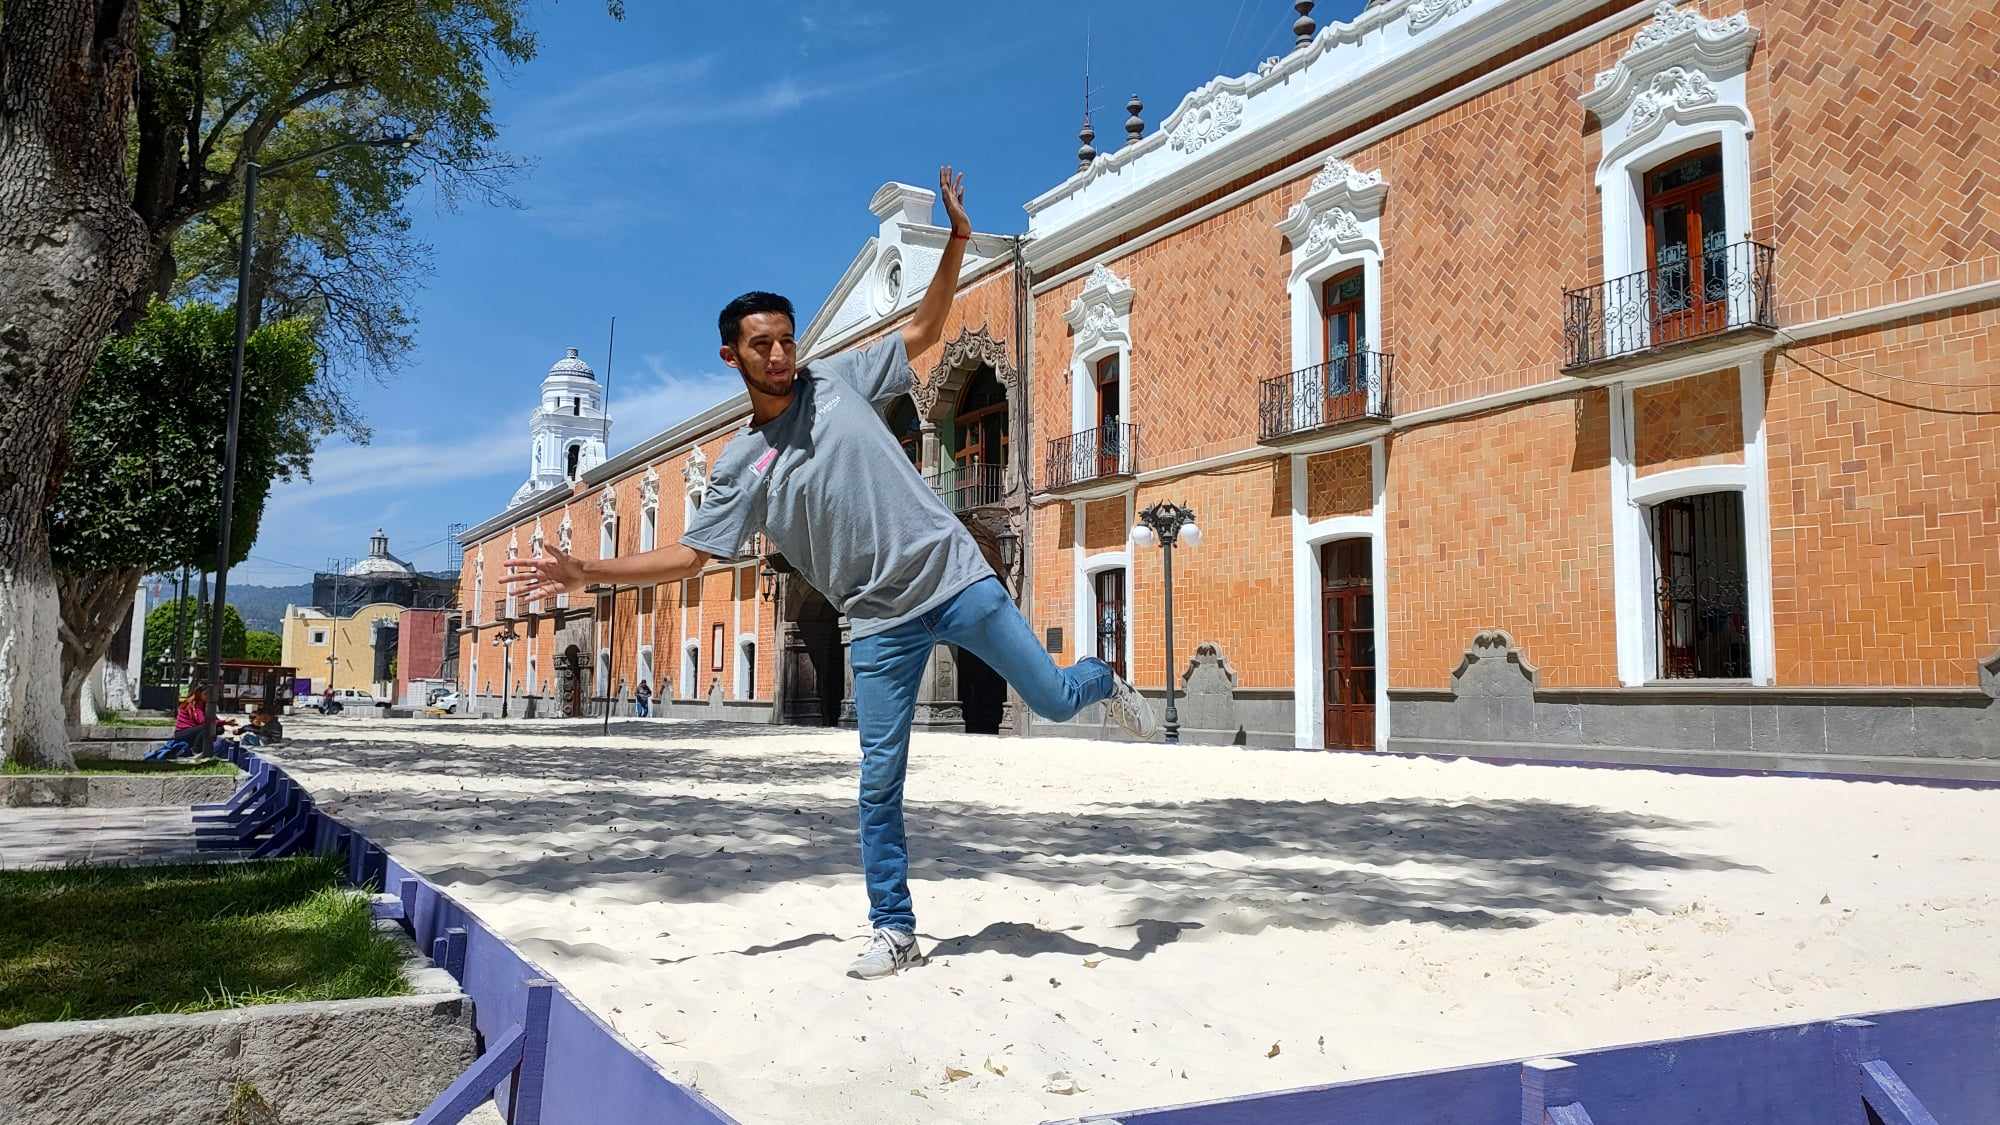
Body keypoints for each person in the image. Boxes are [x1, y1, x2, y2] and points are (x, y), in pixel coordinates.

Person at [506, 165, 1157, 981]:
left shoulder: (838, 377)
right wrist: (586, 569)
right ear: (731, 355)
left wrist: (957, 239)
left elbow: (924, 328)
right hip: (877, 620)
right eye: (762, 345)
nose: (780, 355)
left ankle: (1106, 679)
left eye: (786, 340)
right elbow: (689, 555)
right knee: (878, 783)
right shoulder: (742, 461)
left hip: (953, 573)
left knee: (1056, 699)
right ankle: (894, 926)